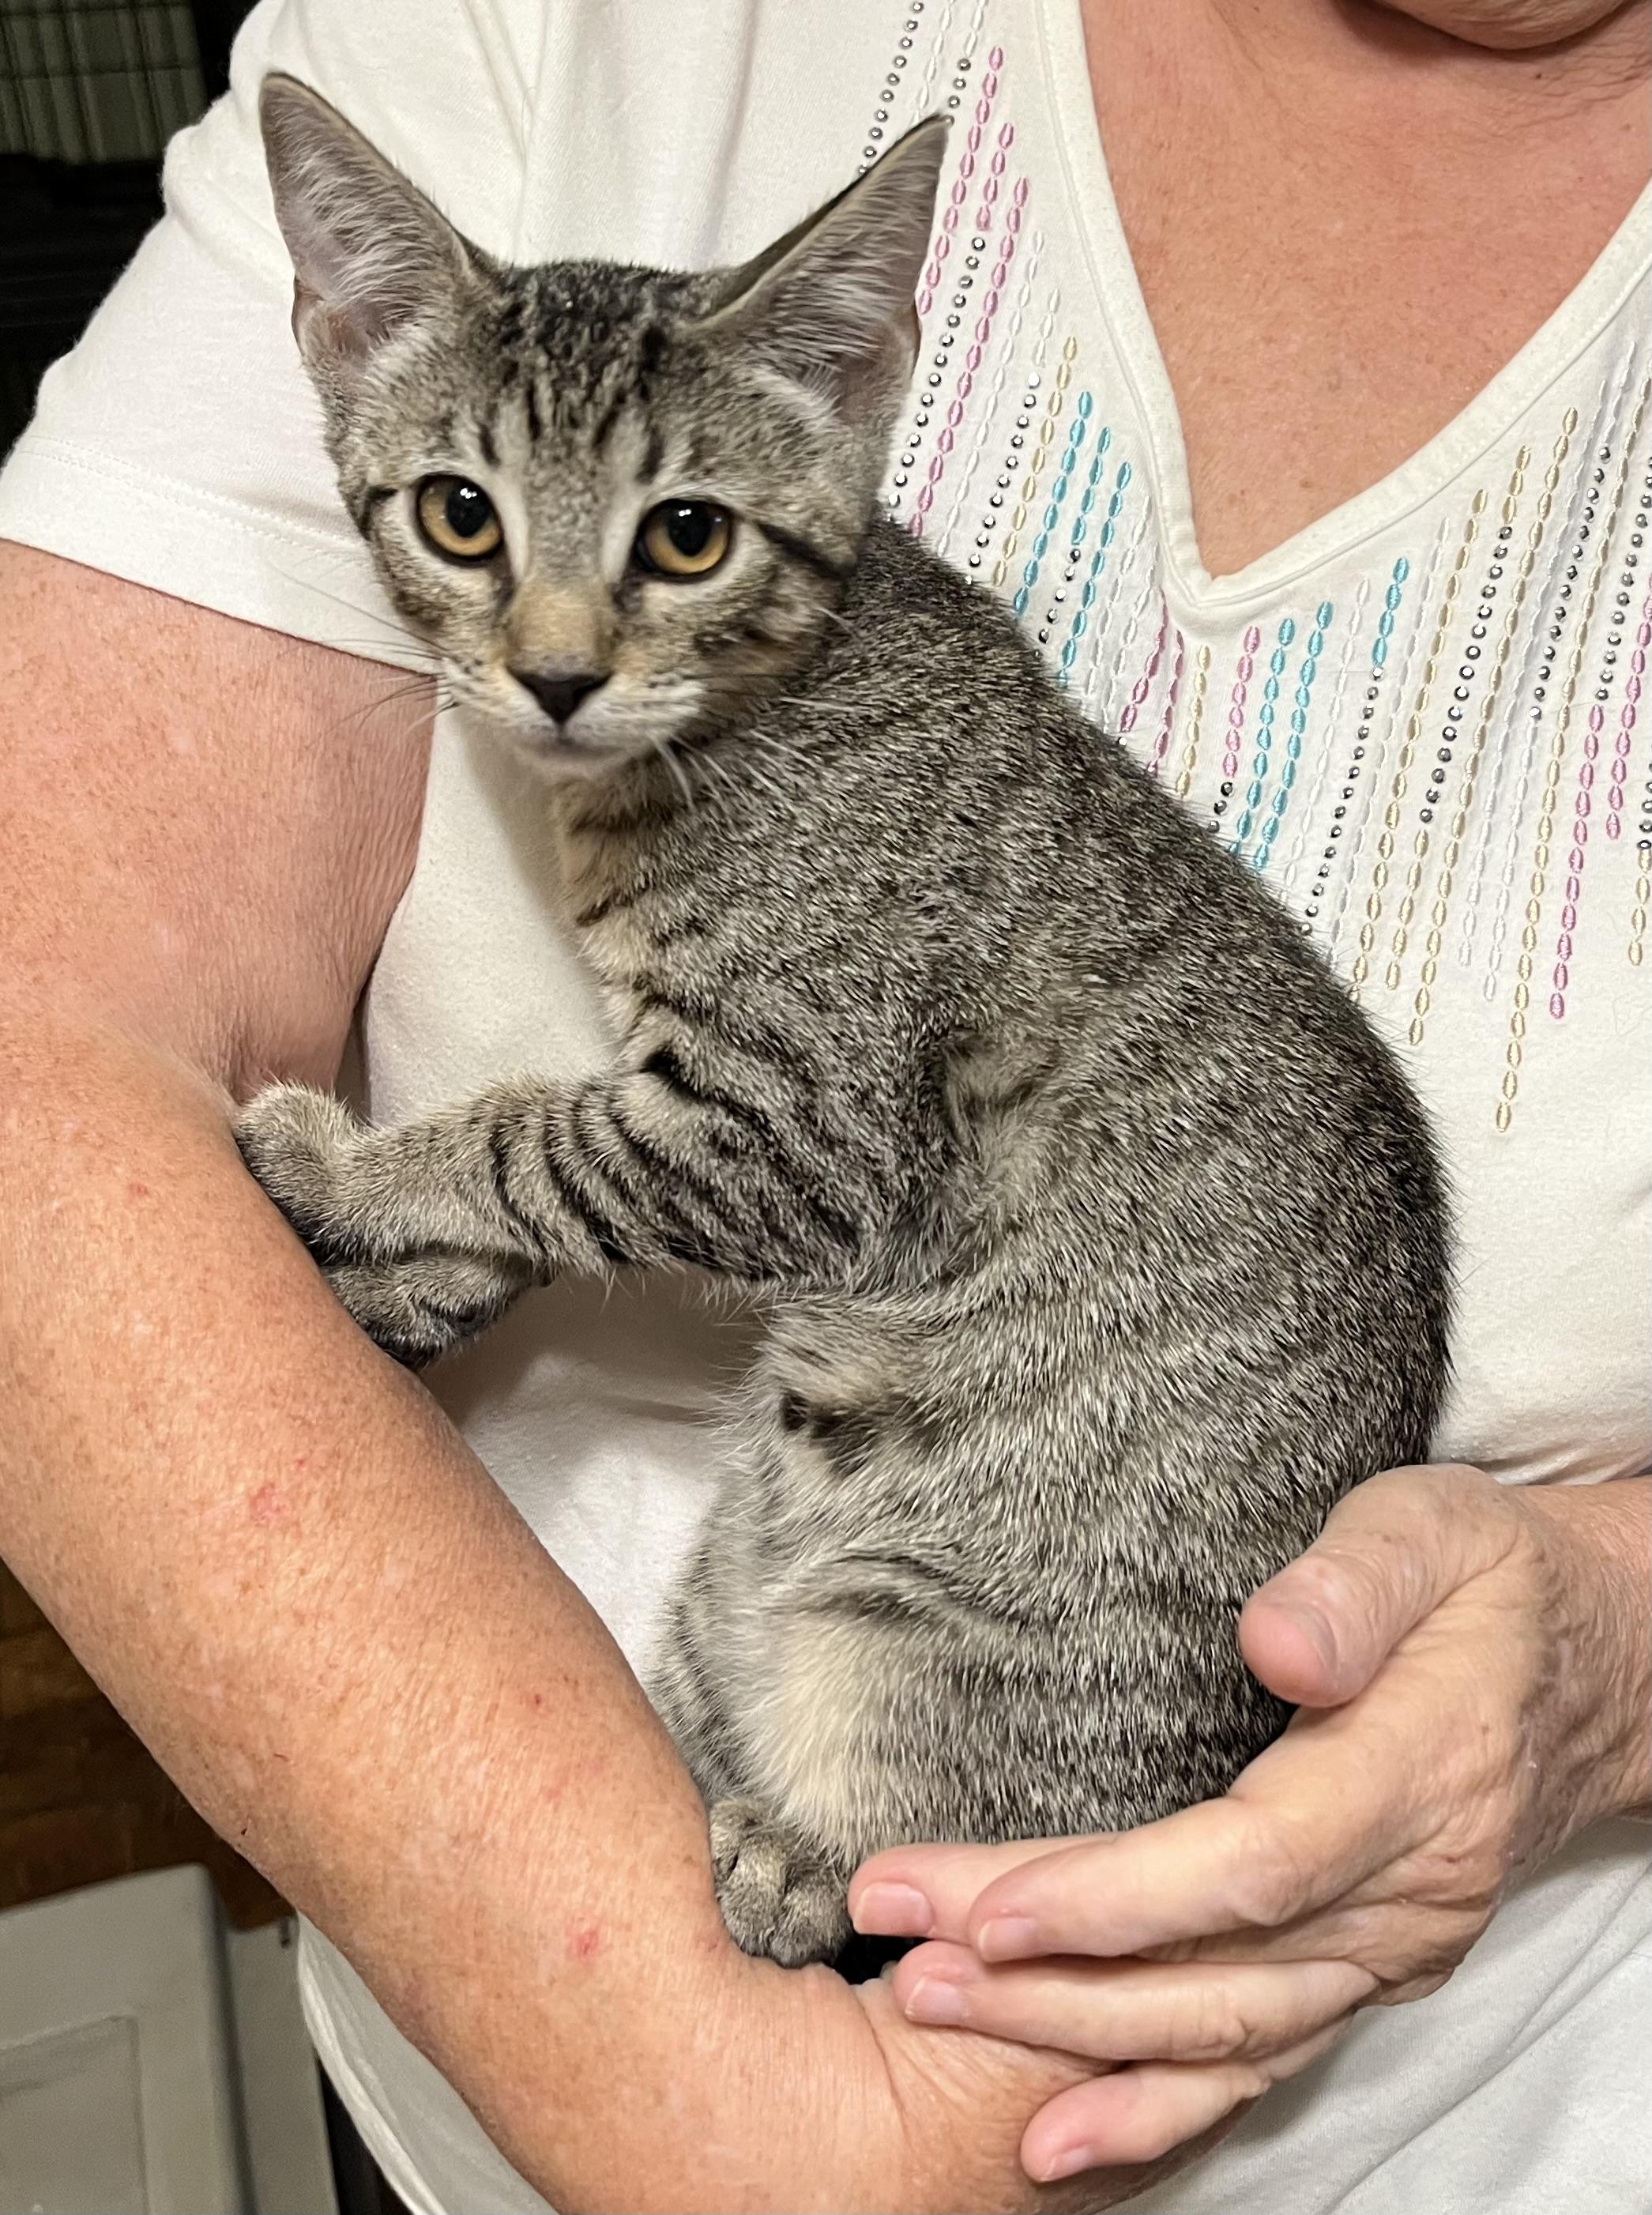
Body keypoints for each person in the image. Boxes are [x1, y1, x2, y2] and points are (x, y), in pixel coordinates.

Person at [0, 0, 1646, 2208]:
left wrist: (1610, 1644)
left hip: (1340, 1976)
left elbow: (780, 1156)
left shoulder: (848, 757)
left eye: (673, 544)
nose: (559, 647)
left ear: (848, 382)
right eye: (471, 522)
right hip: (536, 2051)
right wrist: (708, 2110)